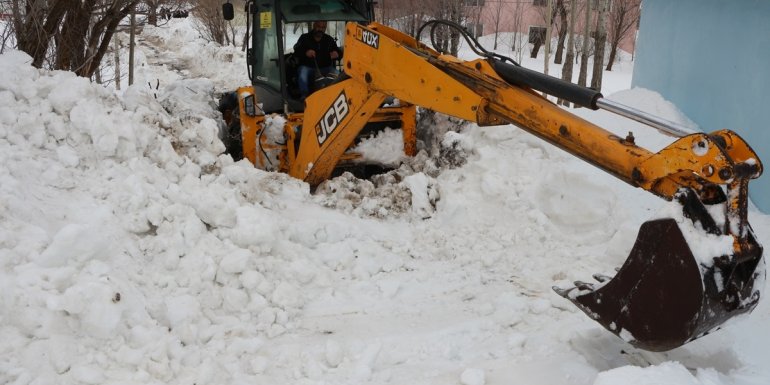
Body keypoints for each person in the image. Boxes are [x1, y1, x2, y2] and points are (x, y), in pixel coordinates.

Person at [293, 21, 342, 98]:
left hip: (325, 68)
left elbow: (339, 52)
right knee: (303, 71)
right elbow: (296, 51)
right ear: (314, 25)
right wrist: (305, 52)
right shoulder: (304, 38)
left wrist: (337, 54)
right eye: (319, 27)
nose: (320, 29)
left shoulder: (329, 40)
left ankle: (334, 96)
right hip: (309, 68)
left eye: (323, 27)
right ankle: (304, 96)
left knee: (337, 73)